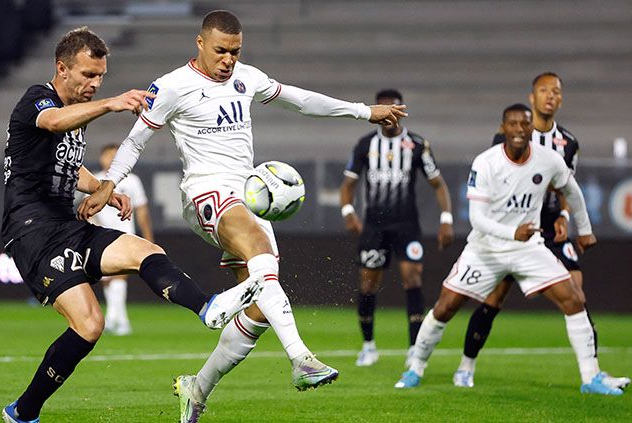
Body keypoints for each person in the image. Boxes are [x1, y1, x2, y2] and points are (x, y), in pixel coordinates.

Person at [78, 10, 408, 423]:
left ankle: (196, 389)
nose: (229, 59)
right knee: (260, 257)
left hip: (247, 195)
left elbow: (301, 101)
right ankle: (302, 359)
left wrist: (363, 111)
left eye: (235, 51)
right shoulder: (173, 86)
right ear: (200, 44)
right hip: (205, 192)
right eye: (221, 51)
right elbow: (135, 140)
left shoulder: (246, 77)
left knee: (258, 303)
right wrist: (110, 182)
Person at [0, 27, 263, 423]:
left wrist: (106, 187)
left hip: (66, 224)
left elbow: (70, 166)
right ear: (62, 68)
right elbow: (53, 122)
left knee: (145, 252)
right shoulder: (38, 100)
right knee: (89, 324)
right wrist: (111, 103)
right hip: (31, 230)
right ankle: (24, 412)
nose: (95, 83)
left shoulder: (75, 115)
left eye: (101, 76)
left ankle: (207, 308)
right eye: (88, 75)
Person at [393, 103, 626, 396]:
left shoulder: (549, 159)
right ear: (503, 128)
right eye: (512, 124)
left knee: (574, 299)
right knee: (445, 307)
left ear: (531, 128)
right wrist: (512, 232)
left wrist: (586, 229)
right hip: (486, 250)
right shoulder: (486, 163)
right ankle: (416, 368)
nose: (518, 130)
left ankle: (590, 378)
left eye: (524, 124)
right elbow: (477, 219)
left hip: (528, 249)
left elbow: (572, 191)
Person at [453, 73, 630, 390]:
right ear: (532, 97)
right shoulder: (509, 136)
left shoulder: (569, 142)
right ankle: (466, 366)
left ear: (561, 99)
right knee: (494, 299)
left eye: (556, 92)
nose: (550, 96)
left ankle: (593, 374)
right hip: (515, 229)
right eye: (544, 91)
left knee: (576, 294)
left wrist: (564, 214)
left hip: (550, 228)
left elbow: (567, 186)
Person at [340, 88, 453, 367]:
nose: (388, 115)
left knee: (412, 278)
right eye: (383, 109)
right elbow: (348, 185)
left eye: (394, 109)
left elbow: (438, 184)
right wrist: (348, 211)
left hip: (407, 226)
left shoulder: (417, 145)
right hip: (374, 227)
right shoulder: (365, 145)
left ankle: (414, 347)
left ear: (402, 110)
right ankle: (368, 346)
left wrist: (446, 219)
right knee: (368, 282)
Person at [91, 143, 155, 336]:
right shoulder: (94, 180)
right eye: (107, 155)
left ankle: (112, 319)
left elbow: (142, 209)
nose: (110, 158)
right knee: (107, 279)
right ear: (101, 158)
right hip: (100, 234)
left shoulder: (132, 180)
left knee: (120, 274)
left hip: (124, 232)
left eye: (114, 155)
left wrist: (148, 236)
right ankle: (121, 321)